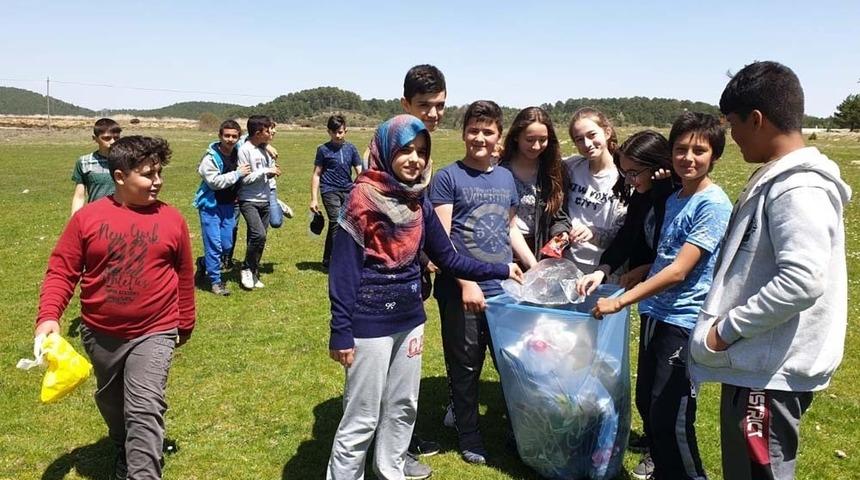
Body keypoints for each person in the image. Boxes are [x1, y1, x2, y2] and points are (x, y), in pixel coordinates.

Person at [326, 114, 522, 480]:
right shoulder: (361, 199)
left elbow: (448, 258)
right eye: (405, 150)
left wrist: (500, 268)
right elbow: (343, 272)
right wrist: (340, 330)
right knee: (362, 415)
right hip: (368, 324)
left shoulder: (418, 201)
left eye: (421, 151)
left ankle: (391, 470)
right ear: (385, 151)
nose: (415, 159)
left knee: (403, 405)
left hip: (410, 320)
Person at [689, 61, 851, 480]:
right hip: (758, 364)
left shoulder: (800, 188)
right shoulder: (780, 180)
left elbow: (802, 281)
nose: (733, 136)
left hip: (769, 374)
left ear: (757, 119)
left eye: (733, 124)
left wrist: (726, 330)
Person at [35, 136, 195, 479]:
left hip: (155, 330)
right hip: (101, 333)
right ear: (120, 177)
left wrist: (185, 321)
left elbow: (184, 274)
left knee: (144, 407)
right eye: (148, 174)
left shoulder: (172, 219)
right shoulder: (87, 219)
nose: (158, 181)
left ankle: (141, 471)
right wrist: (49, 315)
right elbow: (62, 270)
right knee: (111, 402)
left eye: (159, 173)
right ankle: (124, 444)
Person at [592, 112, 731, 479]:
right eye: (681, 149)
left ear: (715, 155)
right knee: (649, 404)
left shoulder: (712, 204)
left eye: (699, 151)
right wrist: (641, 270)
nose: (688, 158)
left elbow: (679, 270)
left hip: (683, 320)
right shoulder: (676, 198)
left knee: (672, 416)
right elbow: (666, 255)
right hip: (656, 313)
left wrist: (621, 300)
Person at [430, 100, 534, 465]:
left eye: (487, 131)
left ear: (498, 137)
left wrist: (533, 266)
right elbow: (441, 242)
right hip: (461, 290)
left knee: (511, 363)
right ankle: (469, 434)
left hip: (503, 289)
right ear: (463, 134)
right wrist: (465, 283)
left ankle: (518, 429)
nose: (479, 137)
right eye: (473, 130)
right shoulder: (447, 178)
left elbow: (509, 229)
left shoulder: (505, 177)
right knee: (466, 366)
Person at [576, 130, 679, 479]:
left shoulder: (672, 196)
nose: (630, 180)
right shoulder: (642, 194)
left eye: (635, 173)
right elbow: (628, 236)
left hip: (672, 303)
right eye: (625, 173)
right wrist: (603, 269)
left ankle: (660, 452)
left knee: (663, 385)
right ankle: (652, 436)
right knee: (647, 381)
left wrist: (643, 270)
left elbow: (672, 251)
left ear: (658, 166)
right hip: (650, 300)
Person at [497, 106, 571, 261]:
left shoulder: (554, 170)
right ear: (516, 137)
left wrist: (561, 235)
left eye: (543, 140)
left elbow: (559, 216)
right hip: (503, 252)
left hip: (539, 252)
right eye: (529, 140)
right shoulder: (498, 168)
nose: (536, 146)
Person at [563, 107, 628, 274]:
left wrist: (592, 233)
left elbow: (626, 233)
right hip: (568, 263)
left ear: (607, 132)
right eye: (579, 139)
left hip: (605, 268)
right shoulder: (571, 167)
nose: (587, 144)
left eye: (592, 135)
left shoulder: (625, 177)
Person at [192, 120, 250, 295]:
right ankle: (216, 282)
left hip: (229, 206)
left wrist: (268, 147)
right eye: (226, 136)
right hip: (210, 206)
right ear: (220, 136)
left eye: (234, 136)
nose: (230, 139)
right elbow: (214, 182)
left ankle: (203, 262)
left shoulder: (239, 149)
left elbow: (254, 137)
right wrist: (237, 174)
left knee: (226, 245)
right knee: (214, 245)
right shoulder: (210, 158)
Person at [310, 114, 363, 268]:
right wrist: (314, 199)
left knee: (343, 223)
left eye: (340, 132)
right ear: (329, 132)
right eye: (334, 132)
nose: (338, 135)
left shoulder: (351, 149)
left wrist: (362, 188)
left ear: (346, 131)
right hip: (329, 189)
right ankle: (337, 260)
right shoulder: (323, 150)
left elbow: (360, 171)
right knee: (336, 221)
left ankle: (328, 258)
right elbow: (316, 174)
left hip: (348, 190)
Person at [237, 115, 280, 290]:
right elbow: (245, 179)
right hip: (249, 200)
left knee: (258, 239)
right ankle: (246, 268)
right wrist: (265, 171)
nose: (271, 132)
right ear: (257, 133)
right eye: (268, 130)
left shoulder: (265, 150)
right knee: (258, 235)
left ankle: (253, 271)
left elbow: (265, 174)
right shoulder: (245, 150)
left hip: (265, 199)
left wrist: (271, 172)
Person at [71, 118, 122, 215]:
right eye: (106, 138)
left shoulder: (127, 161)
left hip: (121, 216)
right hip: (95, 215)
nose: (112, 142)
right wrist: (74, 219)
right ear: (95, 138)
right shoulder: (84, 162)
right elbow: (79, 196)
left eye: (116, 138)